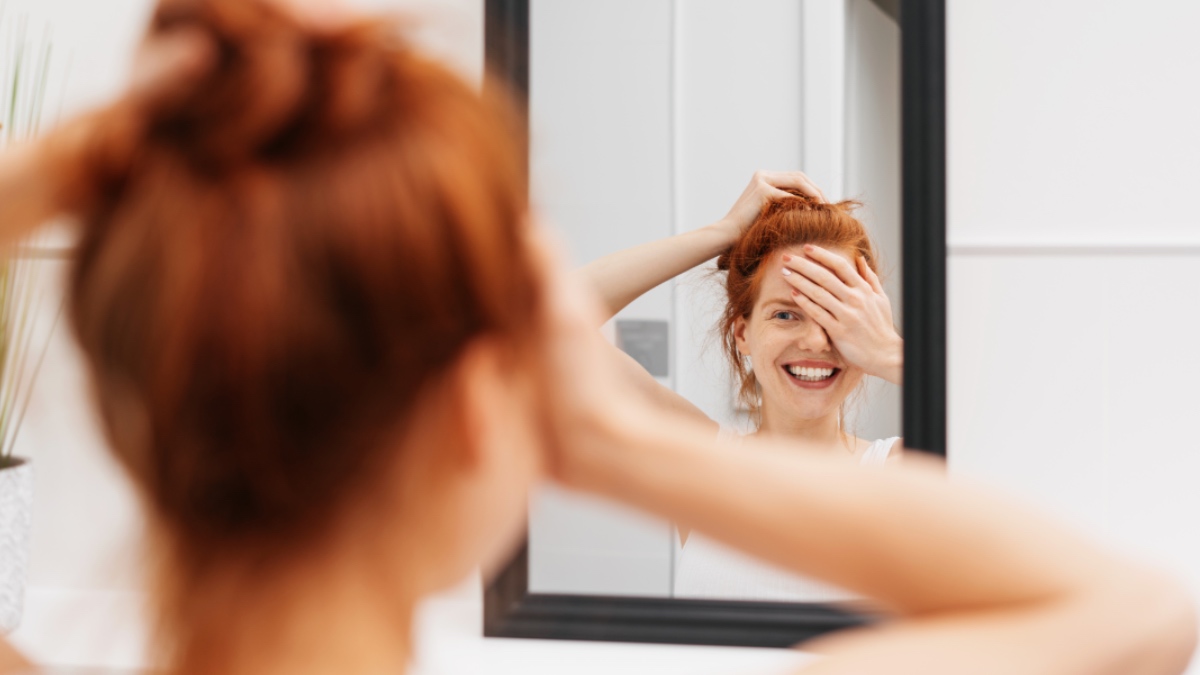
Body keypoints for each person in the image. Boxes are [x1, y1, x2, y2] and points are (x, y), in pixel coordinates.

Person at [0, 1, 1194, 674]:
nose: (815, 339)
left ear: (125, 396)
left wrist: (82, 160)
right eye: (787, 312)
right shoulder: (670, 445)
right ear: (494, 414)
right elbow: (1149, 613)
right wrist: (618, 440)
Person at [579, 181, 904, 599]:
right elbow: (536, 323)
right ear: (743, 333)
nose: (816, 342)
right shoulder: (699, 465)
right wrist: (721, 232)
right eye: (786, 314)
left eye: (837, 315)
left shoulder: (902, 471)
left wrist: (889, 352)